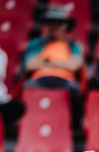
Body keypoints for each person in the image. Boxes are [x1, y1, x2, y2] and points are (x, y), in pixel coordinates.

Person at [20, 4, 86, 134]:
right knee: (27, 86)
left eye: (59, 23)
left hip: (65, 80)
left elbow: (74, 65)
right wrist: (61, 63)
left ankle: (74, 126)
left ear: (66, 26)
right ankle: (29, 126)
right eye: (51, 22)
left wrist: (47, 61)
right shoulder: (35, 44)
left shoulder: (74, 46)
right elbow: (29, 65)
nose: (55, 26)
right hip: (39, 80)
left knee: (74, 90)